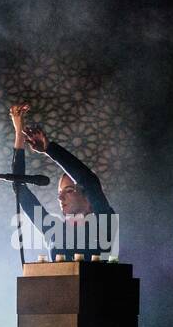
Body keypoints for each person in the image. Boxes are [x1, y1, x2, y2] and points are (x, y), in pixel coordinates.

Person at [8, 102, 117, 261]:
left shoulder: (104, 224)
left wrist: (49, 149)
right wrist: (19, 135)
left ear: (88, 199)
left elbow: (89, 181)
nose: (60, 198)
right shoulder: (54, 230)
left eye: (69, 191)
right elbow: (20, 189)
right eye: (59, 193)